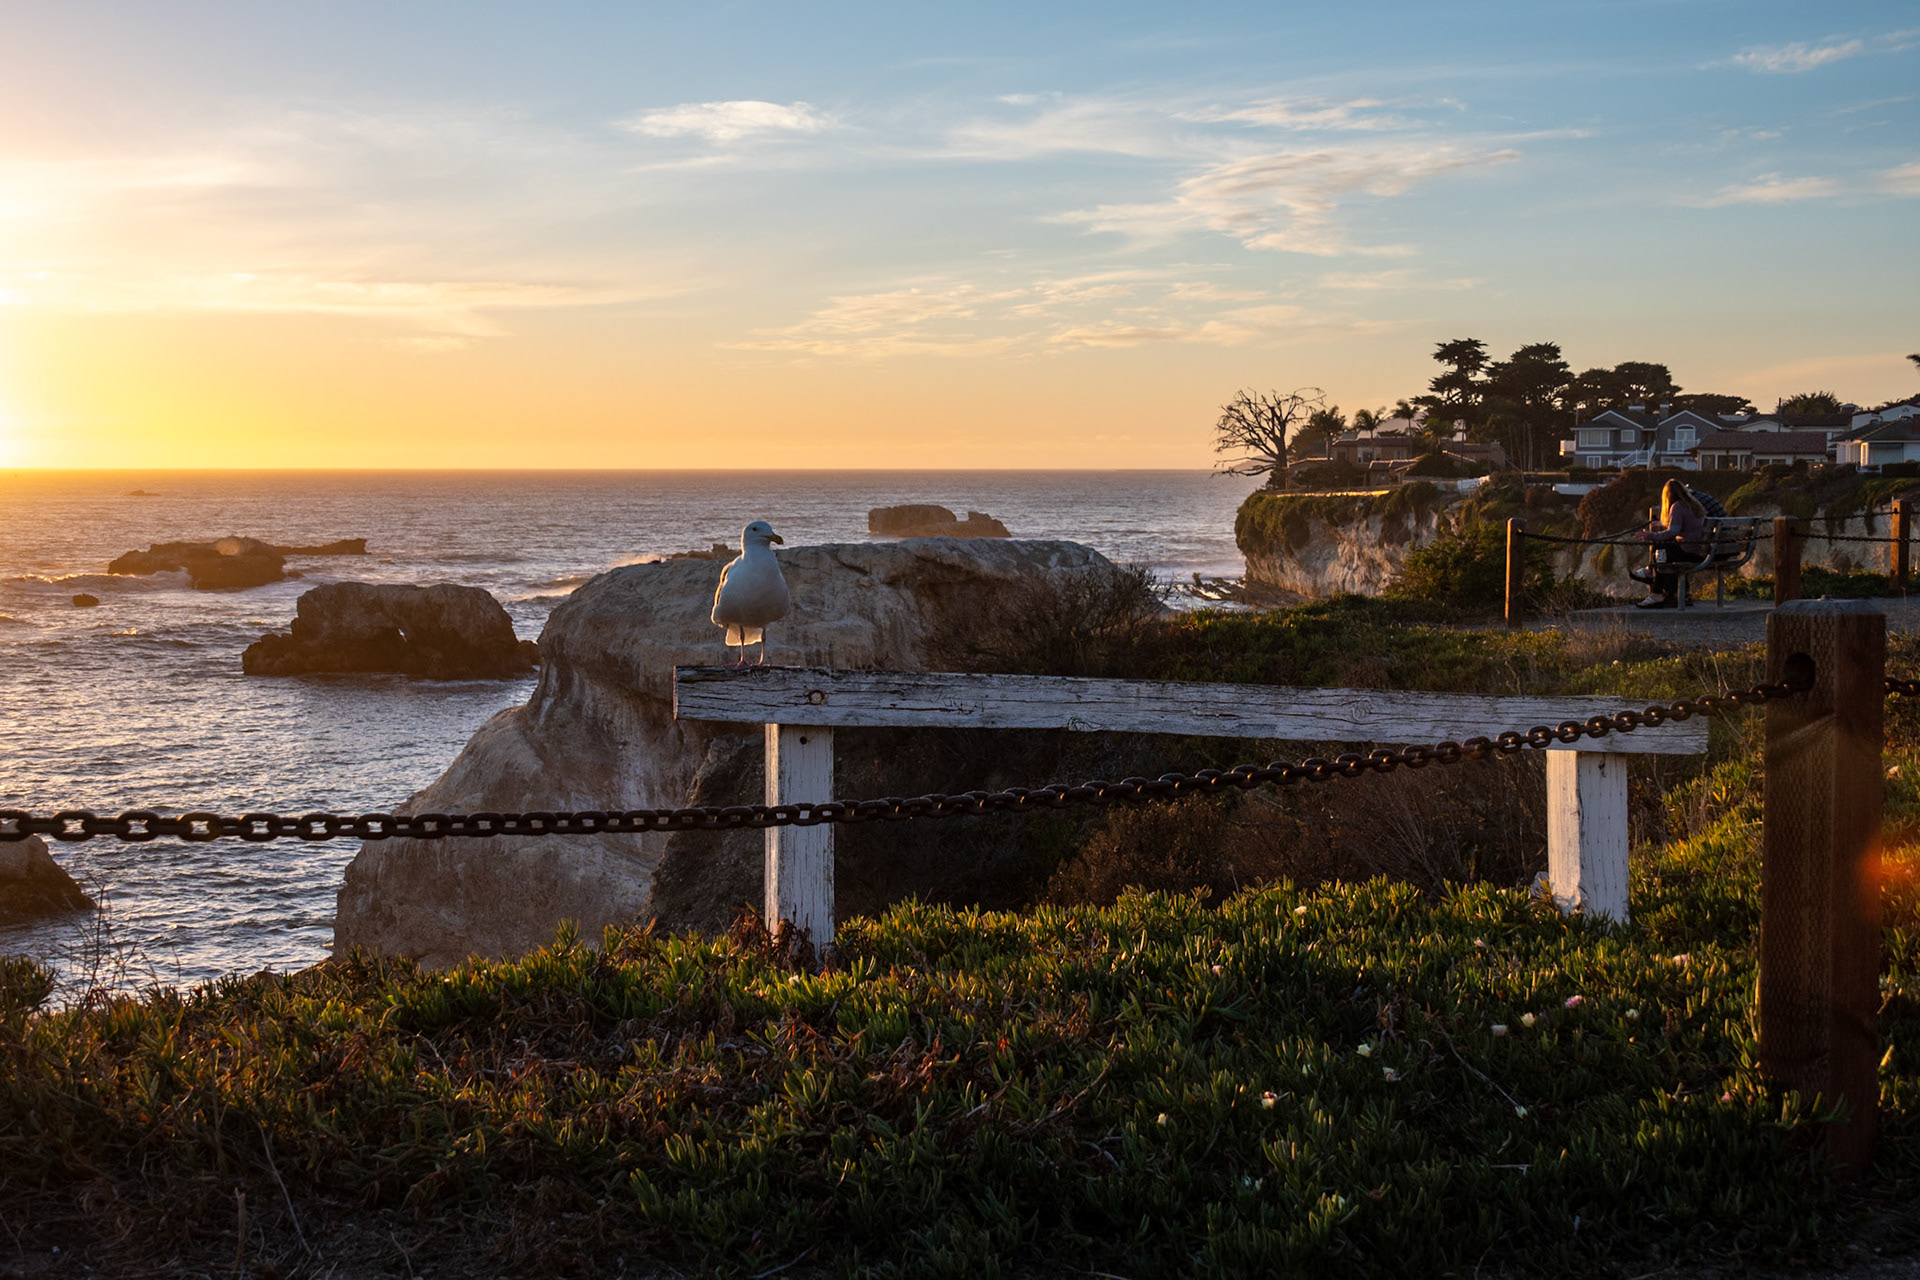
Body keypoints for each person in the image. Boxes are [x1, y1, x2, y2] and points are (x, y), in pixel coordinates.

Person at [1629, 479, 1709, 609]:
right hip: (1698, 552)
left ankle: (1657, 590)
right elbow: (1684, 525)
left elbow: (1673, 531)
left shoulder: (1677, 506)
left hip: (1687, 553)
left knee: (1660, 548)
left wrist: (1650, 535)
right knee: (1663, 552)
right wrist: (1662, 524)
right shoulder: (1694, 505)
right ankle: (1668, 588)